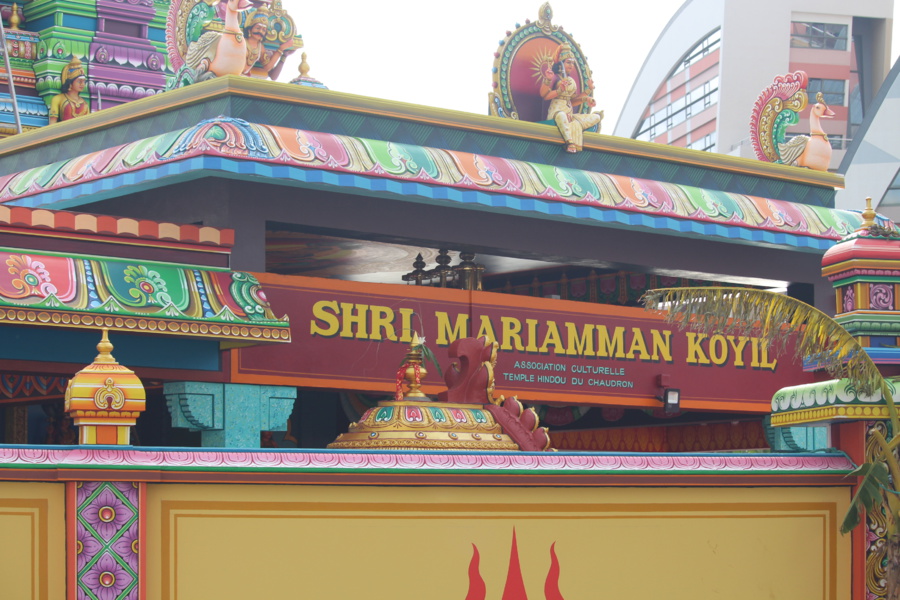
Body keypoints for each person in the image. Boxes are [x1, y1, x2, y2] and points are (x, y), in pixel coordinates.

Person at [539, 44, 603, 153]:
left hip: (569, 113)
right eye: (568, 62)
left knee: (596, 117)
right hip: (556, 112)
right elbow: (544, 95)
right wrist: (555, 87)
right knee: (561, 116)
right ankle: (570, 142)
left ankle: (572, 134)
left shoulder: (570, 80)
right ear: (561, 64)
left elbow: (572, 101)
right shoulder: (555, 77)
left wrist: (587, 96)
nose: (571, 65)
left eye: (572, 63)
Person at [242, 6, 294, 80]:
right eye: (257, 28)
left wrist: (281, 49)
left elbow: (268, 67)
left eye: (263, 30)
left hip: (245, 77)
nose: (260, 31)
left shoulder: (260, 47)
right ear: (249, 30)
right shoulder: (242, 42)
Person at [48, 57, 90, 124]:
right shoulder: (58, 99)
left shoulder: (84, 103)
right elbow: (52, 124)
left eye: (83, 81)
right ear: (70, 83)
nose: (82, 84)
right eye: (79, 81)